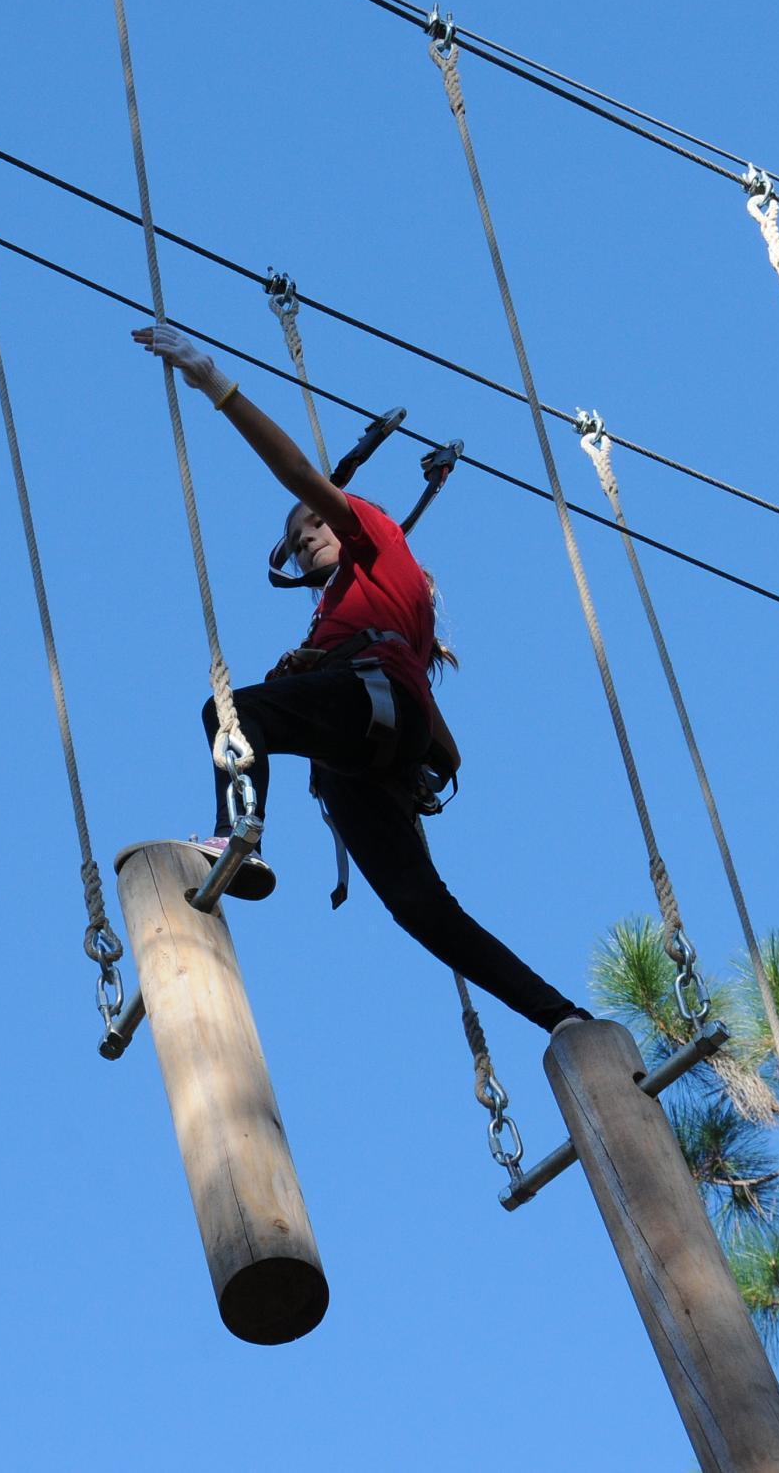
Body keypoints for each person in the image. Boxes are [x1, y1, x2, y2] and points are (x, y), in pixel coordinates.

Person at [133, 323, 590, 1035]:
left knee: (228, 712)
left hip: (377, 706)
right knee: (420, 908)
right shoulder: (328, 628)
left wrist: (216, 384)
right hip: (357, 761)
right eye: (297, 532)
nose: (309, 530)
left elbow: (297, 472)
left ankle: (238, 833)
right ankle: (562, 1016)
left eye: (317, 521)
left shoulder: (377, 543)